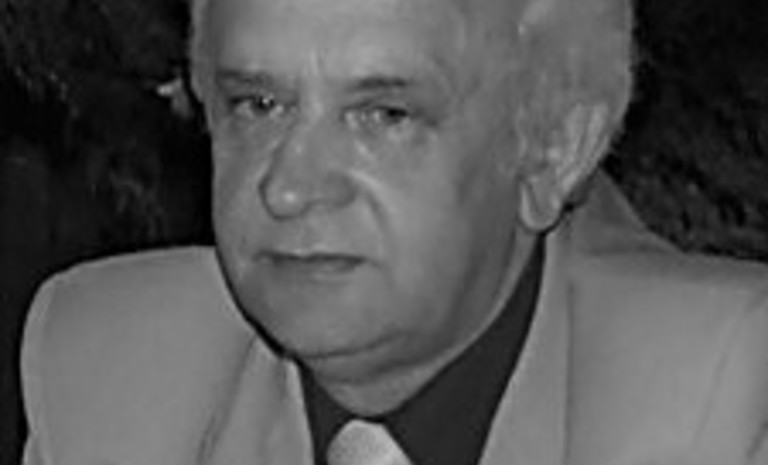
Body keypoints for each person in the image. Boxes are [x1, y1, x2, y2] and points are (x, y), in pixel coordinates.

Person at [19, 0, 768, 463]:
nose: (288, 187)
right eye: (257, 105)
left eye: (383, 116)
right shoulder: (103, 367)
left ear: (552, 148)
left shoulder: (732, 403)